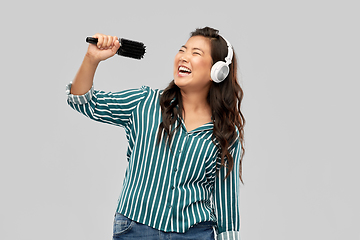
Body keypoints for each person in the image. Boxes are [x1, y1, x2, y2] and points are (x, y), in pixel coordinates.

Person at [66, 26, 245, 240]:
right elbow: (83, 102)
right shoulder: (144, 103)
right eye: (182, 50)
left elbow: (226, 200)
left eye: (195, 53)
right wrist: (91, 58)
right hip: (136, 229)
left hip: (195, 233)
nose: (183, 57)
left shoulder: (225, 132)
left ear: (217, 71)